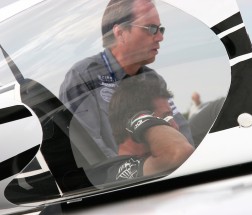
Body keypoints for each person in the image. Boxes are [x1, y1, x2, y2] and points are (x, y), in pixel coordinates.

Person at [59, 0, 194, 158]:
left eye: (160, 29)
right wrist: (132, 173)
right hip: (123, 181)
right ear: (121, 33)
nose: (159, 37)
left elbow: (182, 133)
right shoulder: (83, 76)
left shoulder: (153, 79)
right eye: (151, 29)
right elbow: (89, 150)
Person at [108, 74, 194, 178]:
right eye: (166, 118)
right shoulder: (115, 172)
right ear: (137, 122)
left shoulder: (158, 161)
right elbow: (180, 151)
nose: (175, 126)